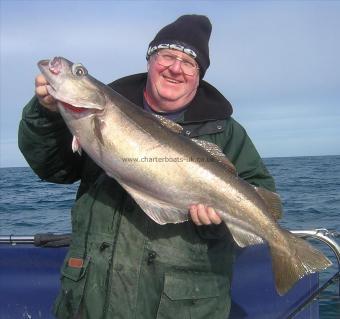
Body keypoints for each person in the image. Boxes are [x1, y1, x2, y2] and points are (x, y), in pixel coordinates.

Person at [19, 14, 276, 319]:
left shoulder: (227, 132)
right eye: (167, 56)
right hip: (90, 300)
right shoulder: (98, 112)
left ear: (199, 75)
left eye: (189, 62)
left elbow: (263, 195)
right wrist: (46, 115)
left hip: (177, 307)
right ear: (150, 60)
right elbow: (53, 169)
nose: (175, 68)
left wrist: (219, 221)